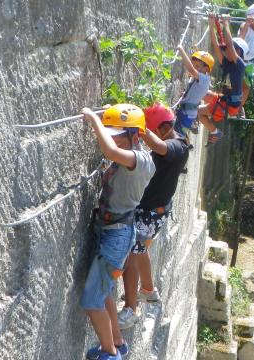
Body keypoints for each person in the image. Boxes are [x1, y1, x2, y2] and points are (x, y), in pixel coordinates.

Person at [80, 104, 157, 360]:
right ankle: (117, 342)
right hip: (111, 232)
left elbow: (109, 149)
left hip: (117, 236)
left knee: (92, 301)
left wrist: (93, 120)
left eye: (118, 134)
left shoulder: (143, 160)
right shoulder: (128, 155)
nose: (113, 138)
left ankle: (109, 354)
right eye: (111, 132)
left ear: (136, 136)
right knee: (105, 293)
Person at [117, 103, 190, 329]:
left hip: (151, 212)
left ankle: (131, 310)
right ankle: (148, 290)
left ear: (166, 127)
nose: (146, 135)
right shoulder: (174, 143)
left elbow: (158, 146)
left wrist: (136, 123)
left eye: (151, 129)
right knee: (139, 252)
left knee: (132, 255)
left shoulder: (178, 147)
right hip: (150, 209)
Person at [197, 14, 248, 146]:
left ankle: (215, 132)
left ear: (238, 51)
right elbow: (216, 45)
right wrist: (211, 24)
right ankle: (212, 130)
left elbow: (230, 46)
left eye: (232, 49)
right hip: (224, 100)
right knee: (199, 90)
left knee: (198, 112)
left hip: (229, 106)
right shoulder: (227, 63)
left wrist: (226, 24)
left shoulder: (240, 66)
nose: (226, 51)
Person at [173, 46, 214, 139]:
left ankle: (184, 144)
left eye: (197, 66)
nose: (195, 68)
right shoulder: (202, 77)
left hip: (187, 115)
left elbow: (191, 69)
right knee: (180, 132)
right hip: (188, 114)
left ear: (207, 69)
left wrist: (181, 50)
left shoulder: (204, 79)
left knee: (177, 136)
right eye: (194, 65)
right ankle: (187, 142)